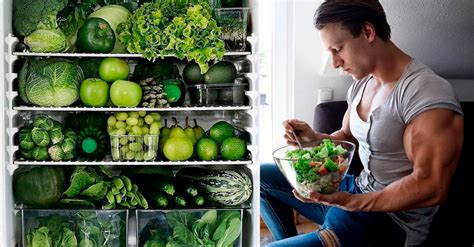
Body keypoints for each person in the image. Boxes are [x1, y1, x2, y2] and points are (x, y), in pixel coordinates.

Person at [260, 0, 464, 246]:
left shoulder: (426, 93)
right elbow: (347, 135)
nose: (335, 63)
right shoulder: (363, 81)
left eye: (339, 49)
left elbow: (431, 185)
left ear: (368, 32)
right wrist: (315, 139)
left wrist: (348, 202)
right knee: (260, 175)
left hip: (389, 222)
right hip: (355, 191)